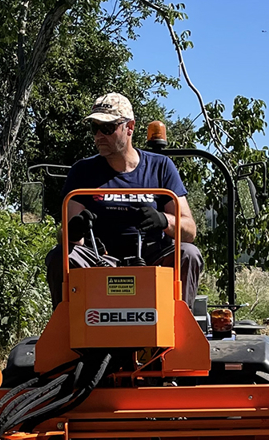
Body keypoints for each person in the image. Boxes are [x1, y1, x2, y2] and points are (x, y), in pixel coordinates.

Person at [47, 92, 203, 307]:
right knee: (60, 255)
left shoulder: (160, 167)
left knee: (189, 253)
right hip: (100, 260)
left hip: (151, 260)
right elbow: (67, 236)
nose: (99, 135)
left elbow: (189, 231)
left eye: (107, 128)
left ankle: (179, 322)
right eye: (94, 128)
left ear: (129, 127)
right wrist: (74, 231)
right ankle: (67, 323)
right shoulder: (82, 171)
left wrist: (163, 220)